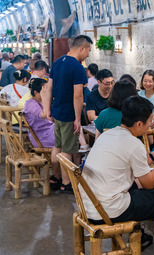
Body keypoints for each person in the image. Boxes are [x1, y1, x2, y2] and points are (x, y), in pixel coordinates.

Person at [80, 95, 154, 254]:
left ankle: (143, 236)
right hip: (108, 210)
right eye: (149, 121)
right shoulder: (134, 144)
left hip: (89, 205)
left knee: (138, 185)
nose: (150, 125)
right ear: (139, 124)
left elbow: (136, 167)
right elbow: (150, 184)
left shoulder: (108, 134)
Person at [41, 35, 93, 193]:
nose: (88, 55)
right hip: (69, 114)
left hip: (57, 111)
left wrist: (48, 109)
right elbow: (78, 95)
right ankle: (66, 183)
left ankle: (55, 177)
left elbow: (48, 88)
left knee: (57, 146)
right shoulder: (77, 67)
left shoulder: (57, 62)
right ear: (82, 48)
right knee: (68, 150)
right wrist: (77, 118)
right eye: (89, 50)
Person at [23, 78, 62, 190]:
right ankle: (57, 175)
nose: (48, 92)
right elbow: (45, 115)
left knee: (70, 129)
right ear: (36, 92)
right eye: (45, 90)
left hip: (49, 131)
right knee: (66, 138)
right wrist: (46, 98)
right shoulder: (30, 104)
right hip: (41, 136)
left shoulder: (40, 101)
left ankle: (62, 175)